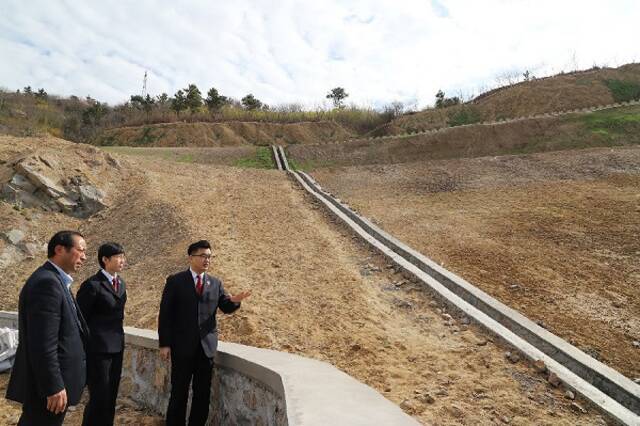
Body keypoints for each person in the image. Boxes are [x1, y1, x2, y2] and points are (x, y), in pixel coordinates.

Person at [158, 240, 250, 426]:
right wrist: (165, 344)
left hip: (206, 349)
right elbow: (166, 314)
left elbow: (225, 306)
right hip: (182, 348)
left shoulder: (215, 283)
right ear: (191, 257)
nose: (206, 260)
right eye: (203, 256)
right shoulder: (175, 281)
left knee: (202, 394)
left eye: (209, 256)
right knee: (179, 392)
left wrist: (235, 301)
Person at [6, 230, 89, 426]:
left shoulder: (56, 281)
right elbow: (42, 343)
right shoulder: (47, 283)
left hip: (53, 385)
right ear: (60, 249)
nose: (84, 257)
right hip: (48, 390)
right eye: (81, 250)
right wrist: (53, 386)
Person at [77, 242, 128, 426]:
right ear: (105, 260)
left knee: (111, 396)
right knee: (99, 397)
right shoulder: (92, 285)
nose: (122, 260)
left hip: (116, 347)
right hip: (97, 350)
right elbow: (80, 319)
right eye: (118, 257)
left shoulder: (121, 283)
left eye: (123, 256)